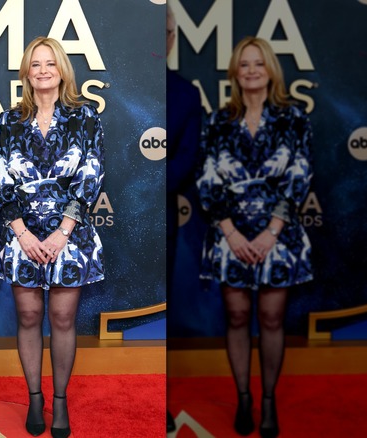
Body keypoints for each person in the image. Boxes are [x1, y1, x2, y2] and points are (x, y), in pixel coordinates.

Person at [0, 37, 105, 438]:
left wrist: (61, 233)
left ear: (62, 70)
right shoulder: (7, 121)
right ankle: (34, 396)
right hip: (21, 235)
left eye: (49, 64)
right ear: (26, 72)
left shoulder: (85, 116)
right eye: (34, 64)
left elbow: (91, 174)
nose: (42, 71)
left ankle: (59, 400)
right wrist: (20, 233)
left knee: (62, 317)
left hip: (69, 234)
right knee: (29, 316)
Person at [196, 36, 313, 438]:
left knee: (271, 317)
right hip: (229, 236)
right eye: (243, 64)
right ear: (234, 72)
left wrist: (270, 233)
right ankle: (244, 396)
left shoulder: (293, 118)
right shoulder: (218, 121)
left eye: (258, 64)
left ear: (270, 70)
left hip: (278, 235)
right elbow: (207, 178)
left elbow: (300, 174)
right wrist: (229, 231)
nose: (250, 71)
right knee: (238, 316)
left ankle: (268, 400)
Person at [164, 4, 203, 433]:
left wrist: (153, 191)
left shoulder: (186, 93)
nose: (163, 37)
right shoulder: (121, 86)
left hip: (163, 214)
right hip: (115, 212)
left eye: (168, 31)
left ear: (174, 37)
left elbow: (188, 157)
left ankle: (161, 398)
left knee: (164, 307)